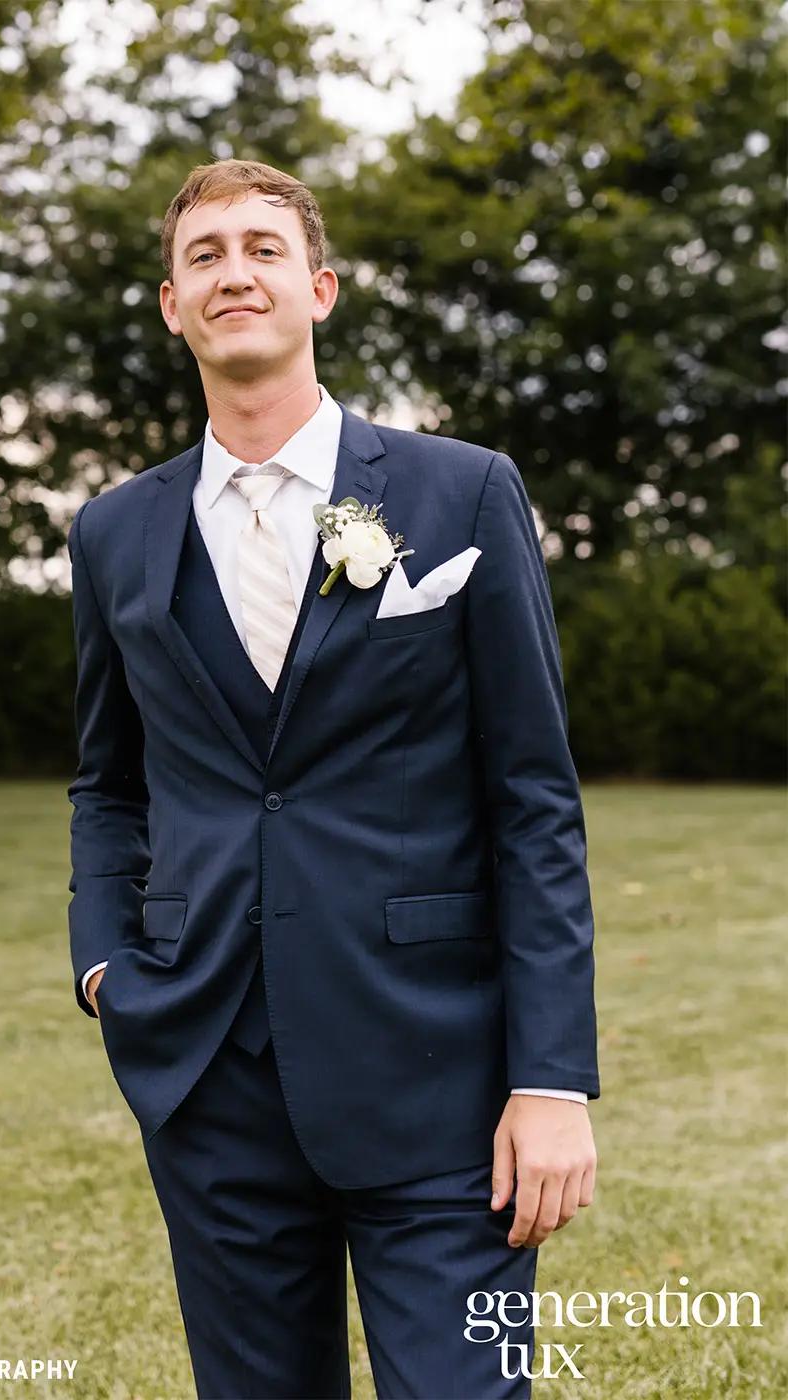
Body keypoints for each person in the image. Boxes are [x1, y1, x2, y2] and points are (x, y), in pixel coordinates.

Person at [65, 157, 599, 1399]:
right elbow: (108, 781)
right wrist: (105, 966)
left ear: (319, 289)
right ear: (169, 304)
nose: (231, 271)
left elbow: (533, 799)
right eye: (204, 254)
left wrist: (550, 1079)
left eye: (261, 247)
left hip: (441, 1075)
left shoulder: (459, 490)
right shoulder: (113, 532)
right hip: (208, 1071)